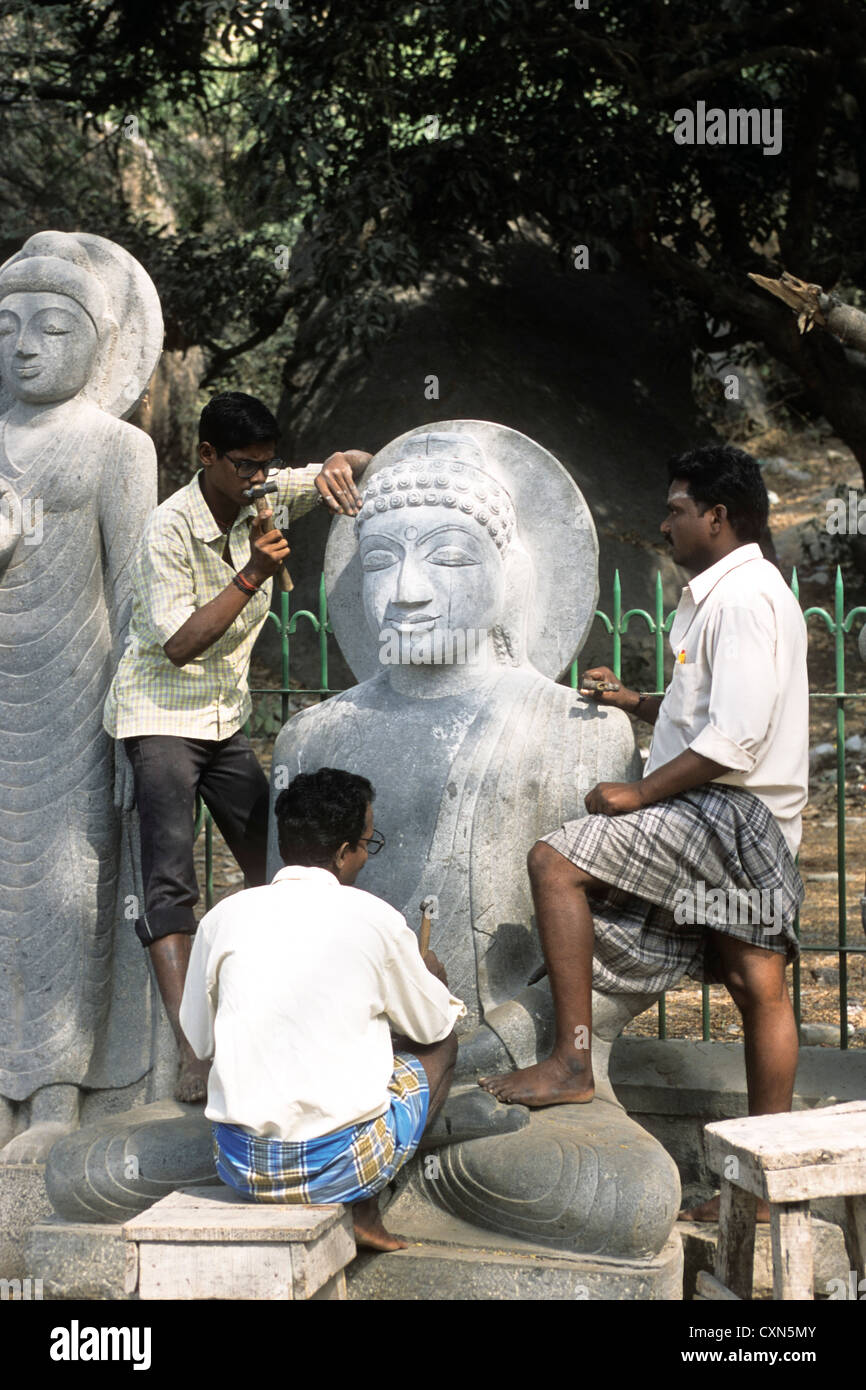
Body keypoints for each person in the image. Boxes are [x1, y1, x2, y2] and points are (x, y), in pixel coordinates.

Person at [479, 444, 808, 1222]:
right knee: (755, 985)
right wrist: (636, 700)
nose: (664, 525)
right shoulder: (731, 594)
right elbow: (711, 711)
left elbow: (734, 740)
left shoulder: (742, 600)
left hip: (732, 815)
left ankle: (570, 1061)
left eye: (676, 509)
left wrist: (640, 791)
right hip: (754, 824)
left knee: (555, 861)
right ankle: (763, 1196)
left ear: (718, 517)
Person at [103, 390, 371, 1103]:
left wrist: (345, 465)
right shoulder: (166, 530)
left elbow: (353, 464)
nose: (258, 479)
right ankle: (194, 1051)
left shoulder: (270, 491)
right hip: (159, 712)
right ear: (206, 457)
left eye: (266, 465)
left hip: (224, 720)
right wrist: (251, 571)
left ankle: (276, 1010)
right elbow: (182, 644)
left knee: (276, 860)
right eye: (244, 466)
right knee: (170, 882)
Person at [179, 767, 464, 1251]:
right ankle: (365, 1206)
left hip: (242, 1167)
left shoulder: (222, 917)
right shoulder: (376, 919)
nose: (364, 858)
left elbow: (199, 1040)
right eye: (366, 845)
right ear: (342, 853)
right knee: (442, 1046)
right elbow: (432, 1024)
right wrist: (431, 975)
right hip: (337, 1168)